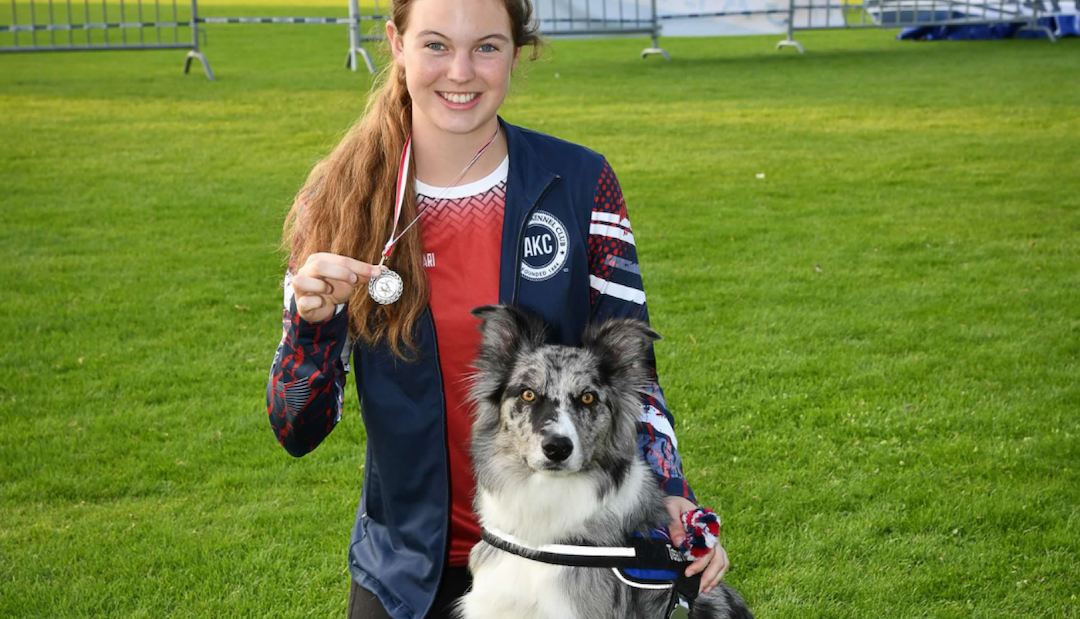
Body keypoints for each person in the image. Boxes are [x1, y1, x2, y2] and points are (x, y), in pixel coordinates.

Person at [265, 0, 731, 617]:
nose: (461, 71)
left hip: (562, 566)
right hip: (403, 574)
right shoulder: (339, 199)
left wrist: (671, 492)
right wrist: (311, 328)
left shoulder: (582, 181)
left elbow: (634, 376)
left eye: (486, 46)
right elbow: (297, 428)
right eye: (435, 45)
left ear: (517, 51)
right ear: (396, 45)